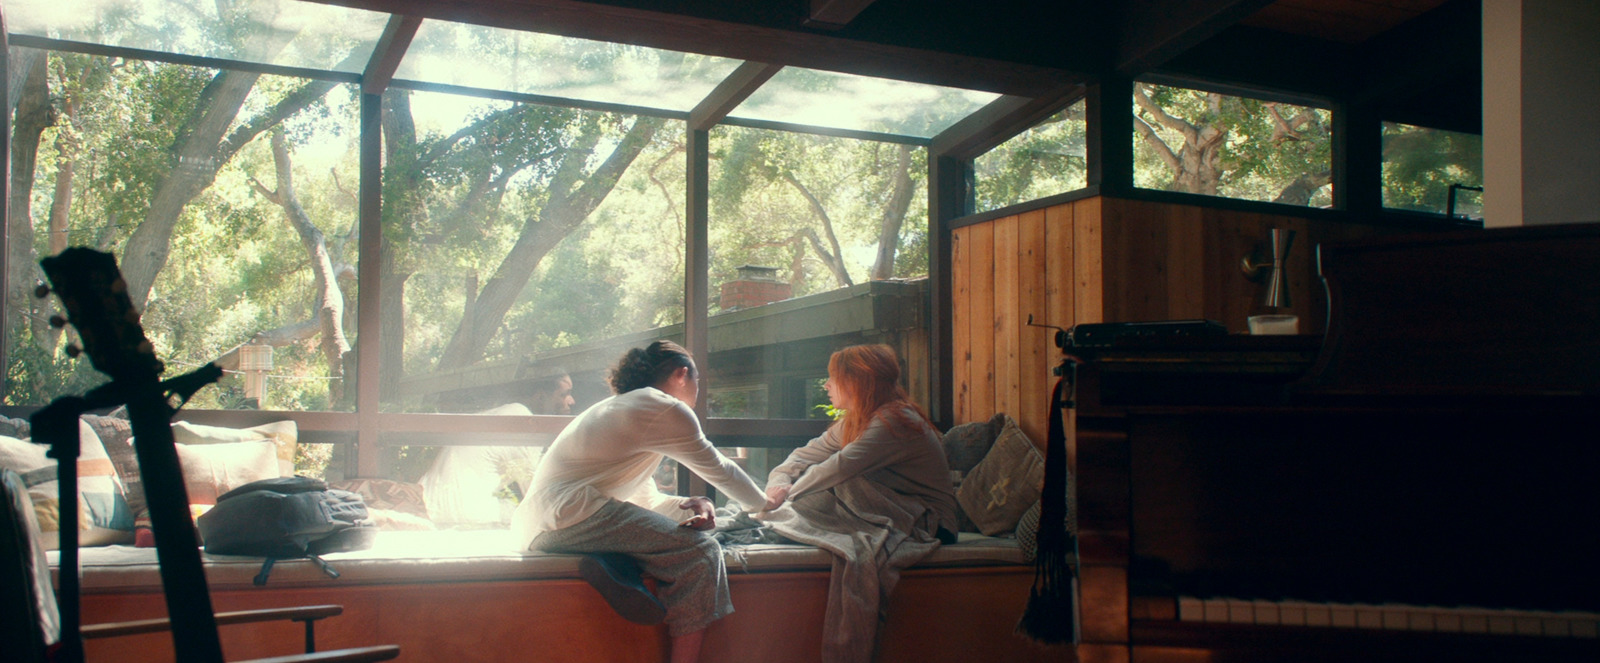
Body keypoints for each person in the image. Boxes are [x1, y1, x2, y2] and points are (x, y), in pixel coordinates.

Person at [511, 341, 770, 663]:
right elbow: (721, 469)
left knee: (669, 541)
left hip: (545, 526)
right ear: (682, 374)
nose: (698, 390)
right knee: (701, 553)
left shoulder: (625, 408)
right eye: (698, 381)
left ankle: (615, 565)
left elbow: (644, 499)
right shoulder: (663, 407)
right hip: (571, 514)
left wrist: (692, 503)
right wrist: (766, 507)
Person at [763, 344, 958, 663]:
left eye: (832, 378)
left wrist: (787, 496)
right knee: (829, 481)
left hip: (930, 522)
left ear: (857, 382)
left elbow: (838, 467)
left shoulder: (896, 420)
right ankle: (781, 520)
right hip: (894, 511)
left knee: (845, 482)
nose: (825, 385)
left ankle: (779, 522)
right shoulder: (858, 419)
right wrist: (777, 486)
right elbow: (800, 456)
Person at [419, 371, 575, 526]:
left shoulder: (506, 413)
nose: (572, 401)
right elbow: (537, 495)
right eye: (564, 394)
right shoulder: (523, 422)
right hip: (464, 515)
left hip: (432, 508)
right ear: (540, 397)